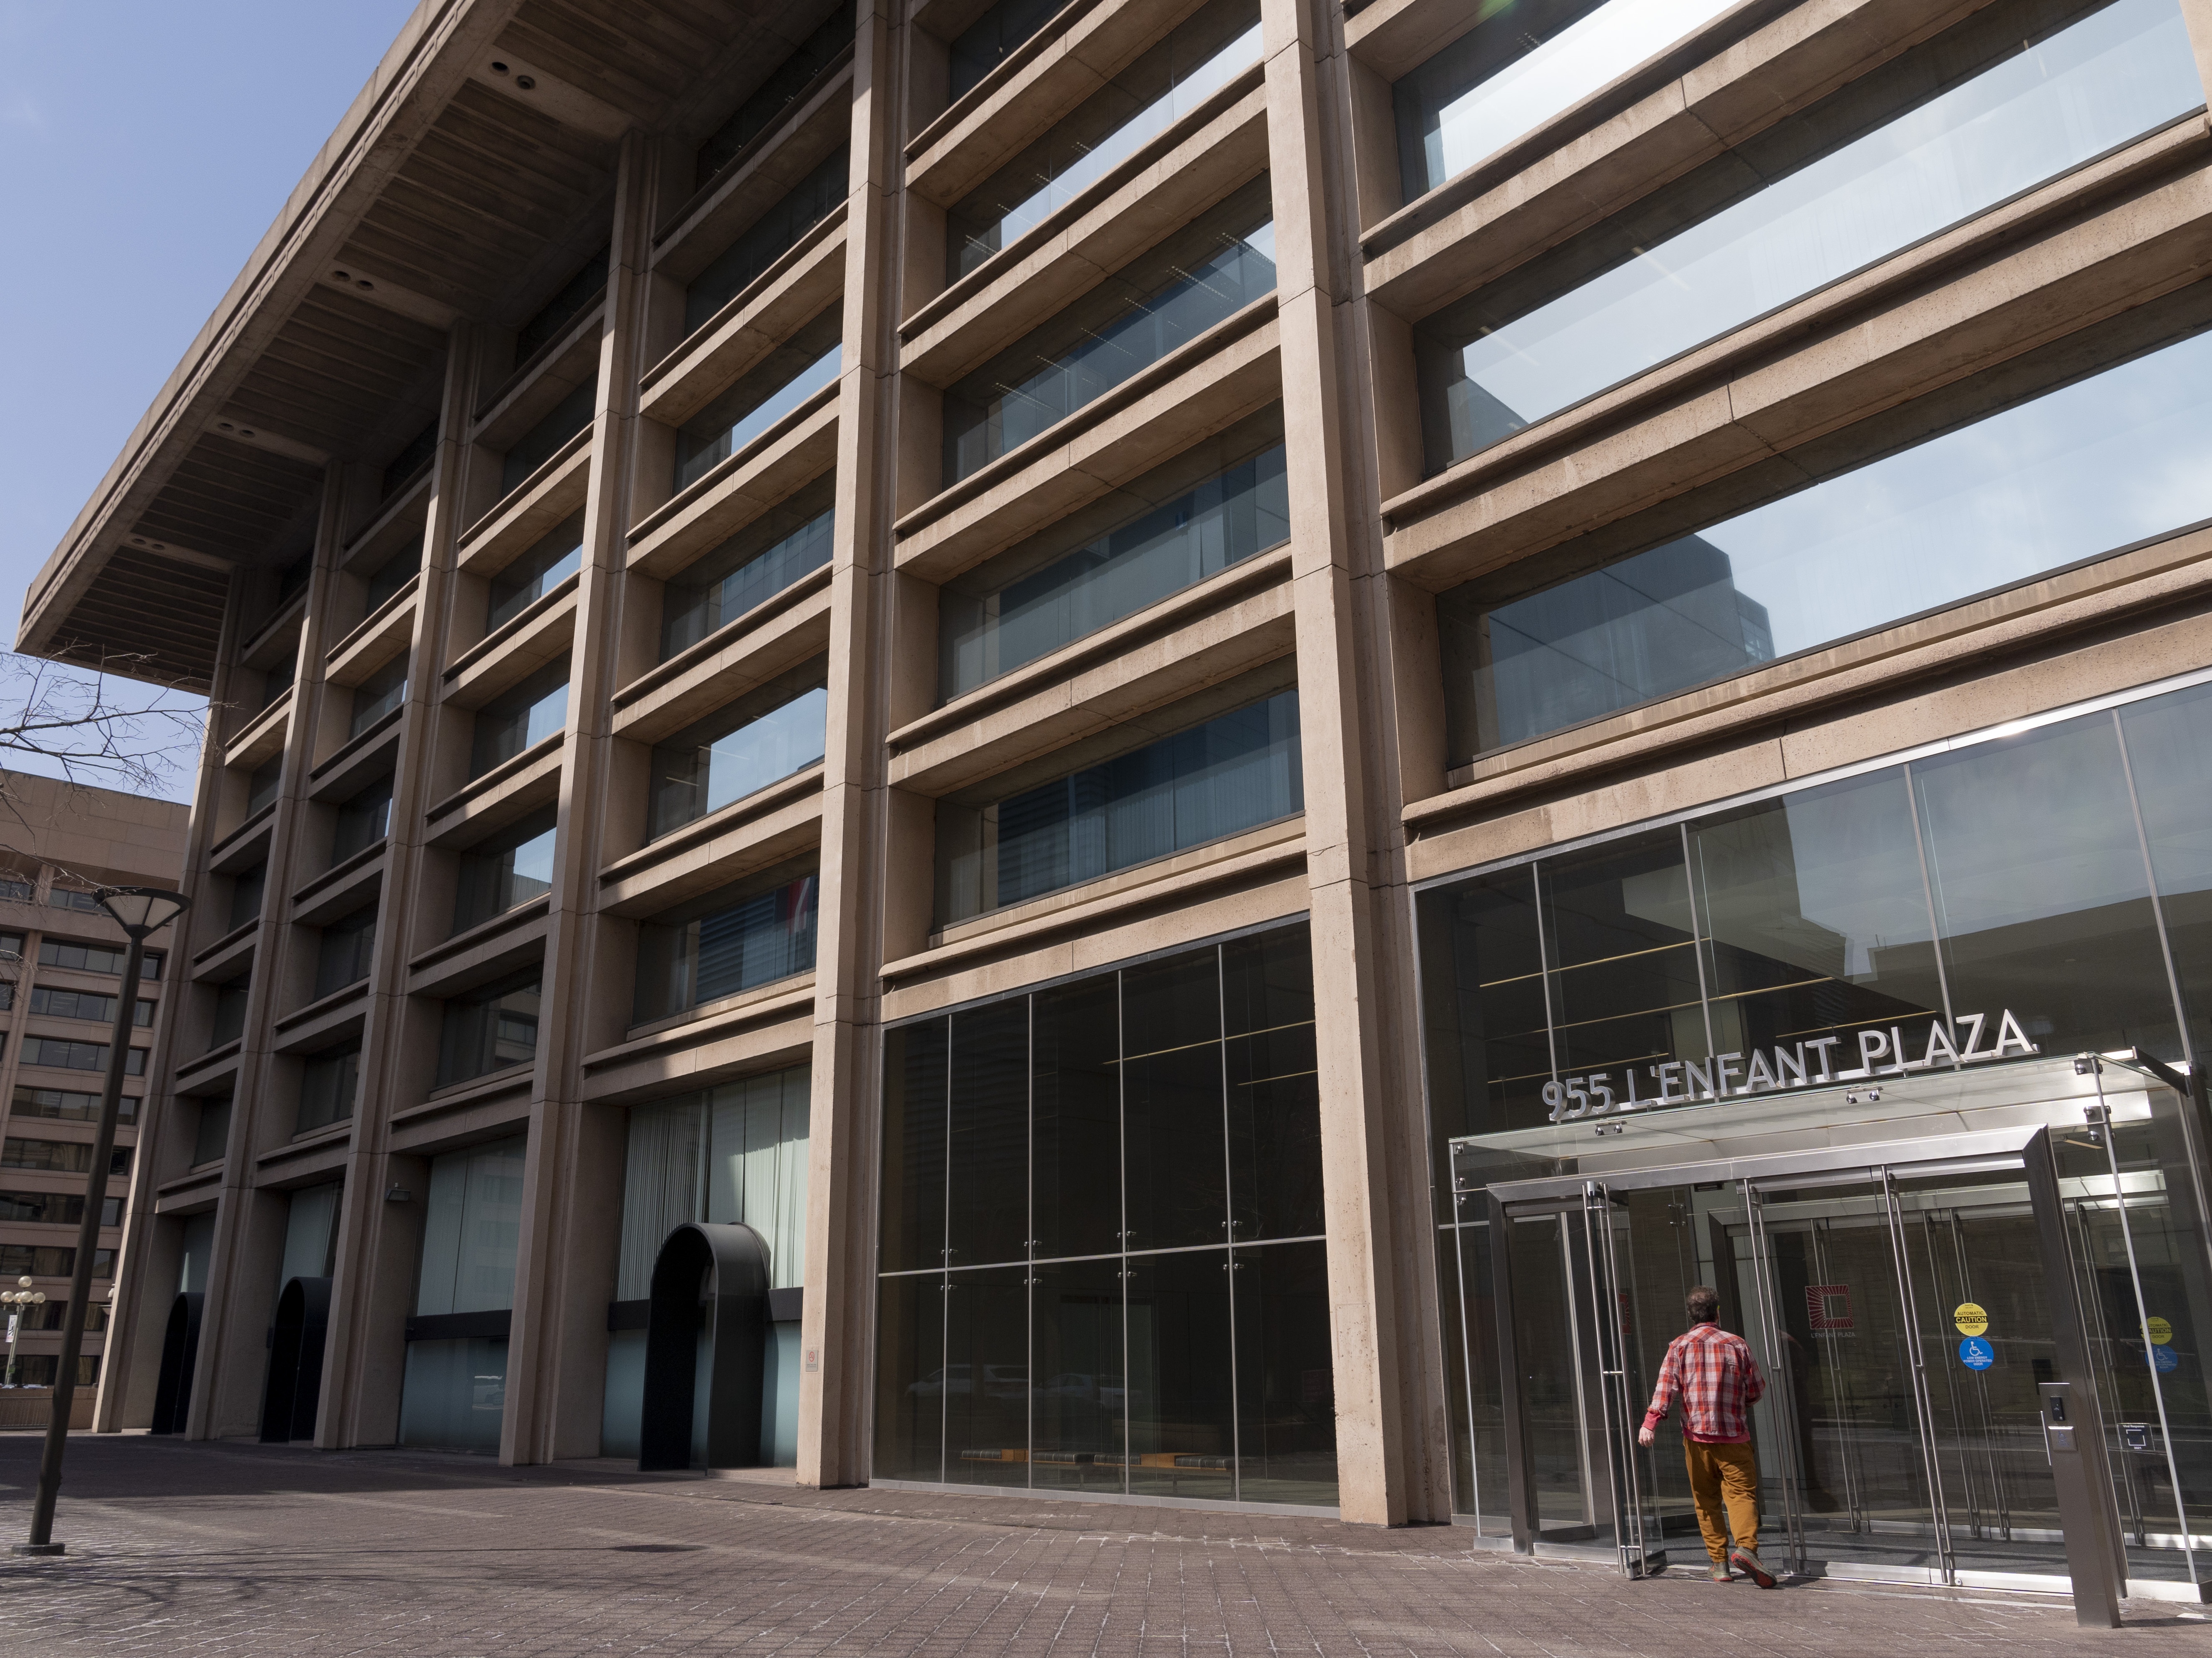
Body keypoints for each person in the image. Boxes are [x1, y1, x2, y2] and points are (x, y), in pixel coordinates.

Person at [1638, 1285, 1776, 1587]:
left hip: (1696, 1438)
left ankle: (1719, 1565)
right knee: (1741, 1496)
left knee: (1706, 1500)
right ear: (1717, 1312)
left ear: (1691, 1315)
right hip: (1735, 1436)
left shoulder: (1679, 1345)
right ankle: (1746, 1550)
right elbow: (1755, 1390)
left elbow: (1666, 1389)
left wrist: (1650, 1423)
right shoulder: (1736, 1344)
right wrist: (1738, 1404)